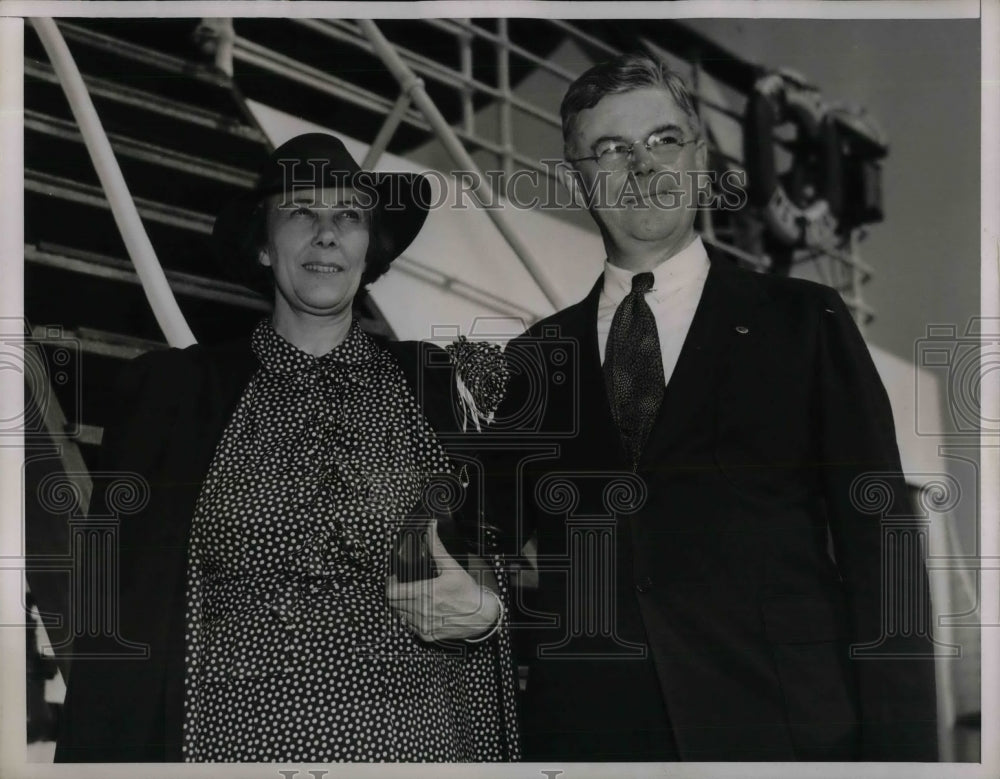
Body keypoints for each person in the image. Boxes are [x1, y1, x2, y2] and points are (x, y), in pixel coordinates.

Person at [493, 53, 937, 762]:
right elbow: (476, 534)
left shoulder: (805, 321)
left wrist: (904, 761)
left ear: (699, 157)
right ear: (577, 177)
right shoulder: (537, 357)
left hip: (785, 740)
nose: (642, 166)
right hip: (595, 744)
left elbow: (883, 557)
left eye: (664, 139)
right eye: (610, 149)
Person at [56, 133, 519, 762]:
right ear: (264, 245)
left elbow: (485, 556)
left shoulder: (432, 386)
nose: (327, 233)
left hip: (414, 745)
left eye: (349, 216)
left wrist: (485, 613)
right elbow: (123, 612)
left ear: (368, 247)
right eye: (302, 211)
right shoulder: (176, 394)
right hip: (236, 746)